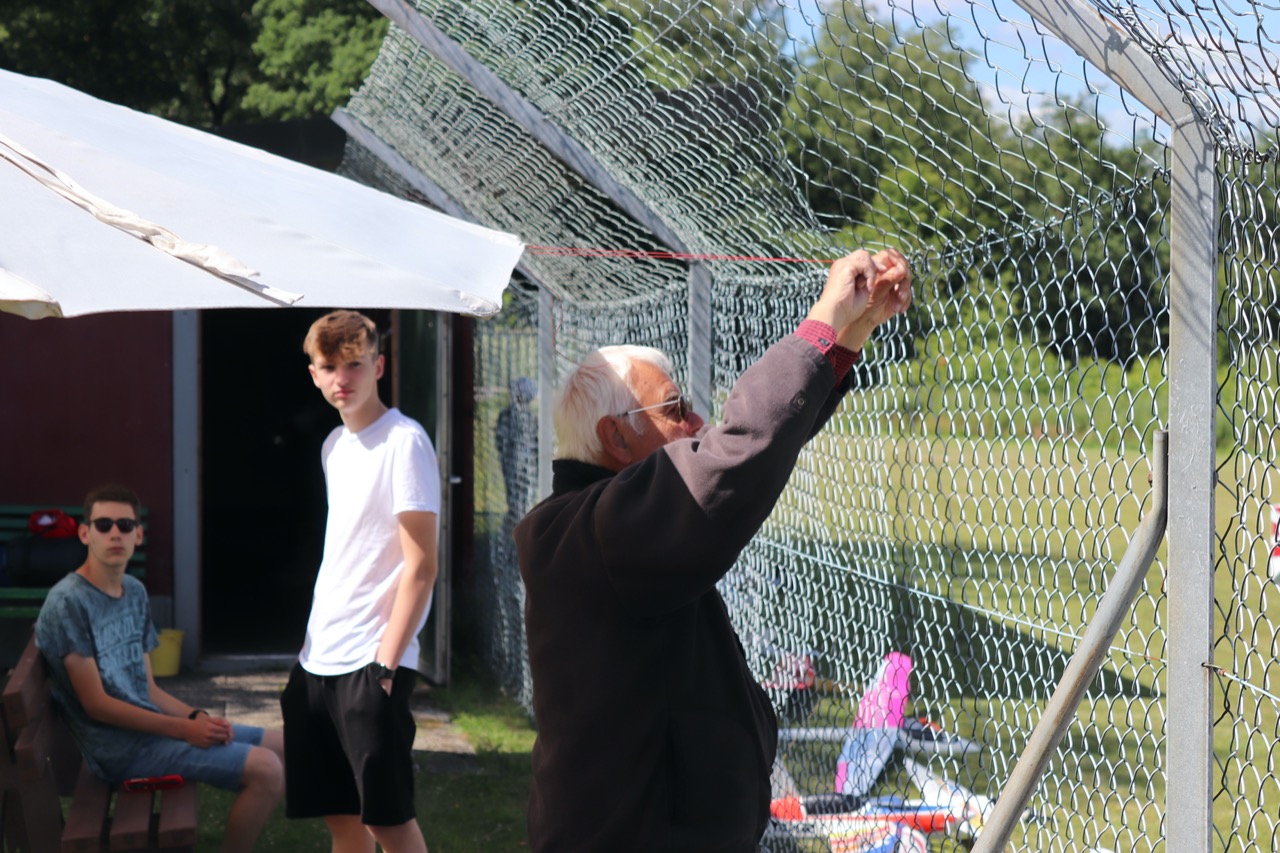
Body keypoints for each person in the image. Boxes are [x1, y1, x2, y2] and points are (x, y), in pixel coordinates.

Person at [515, 248, 912, 851]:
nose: (696, 421)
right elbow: (737, 451)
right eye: (674, 408)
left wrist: (850, 334)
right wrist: (823, 322)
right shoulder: (598, 531)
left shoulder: (591, 528)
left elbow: (751, 453)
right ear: (615, 435)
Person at [35, 484, 285, 853]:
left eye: (125, 525)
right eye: (103, 525)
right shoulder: (68, 603)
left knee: (285, 745)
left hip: (151, 731)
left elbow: (147, 689)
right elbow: (96, 705)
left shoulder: (133, 591)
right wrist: (186, 729)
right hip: (120, 751)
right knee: (267, 769)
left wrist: (197, 716)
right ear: (85, 533)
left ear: (138, 534)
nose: (115, 533)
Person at [281, 310, 439, 853]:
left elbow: (422, 566)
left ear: (380, 366)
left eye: (354, 364)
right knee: (343, 821)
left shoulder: (404, 442)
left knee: (388, 824)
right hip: (318, 659)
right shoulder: (334, 445)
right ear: (314, 374)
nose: (342, 378)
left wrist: (385, 666)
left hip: (371, 662)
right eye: (329, 367)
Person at [495, 376, 538, 522]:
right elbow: (501, 443)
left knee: (527, 498)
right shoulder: (506, 417)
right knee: (514, 497)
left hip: (526, 466)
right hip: (512, 466)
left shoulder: (531, 419)